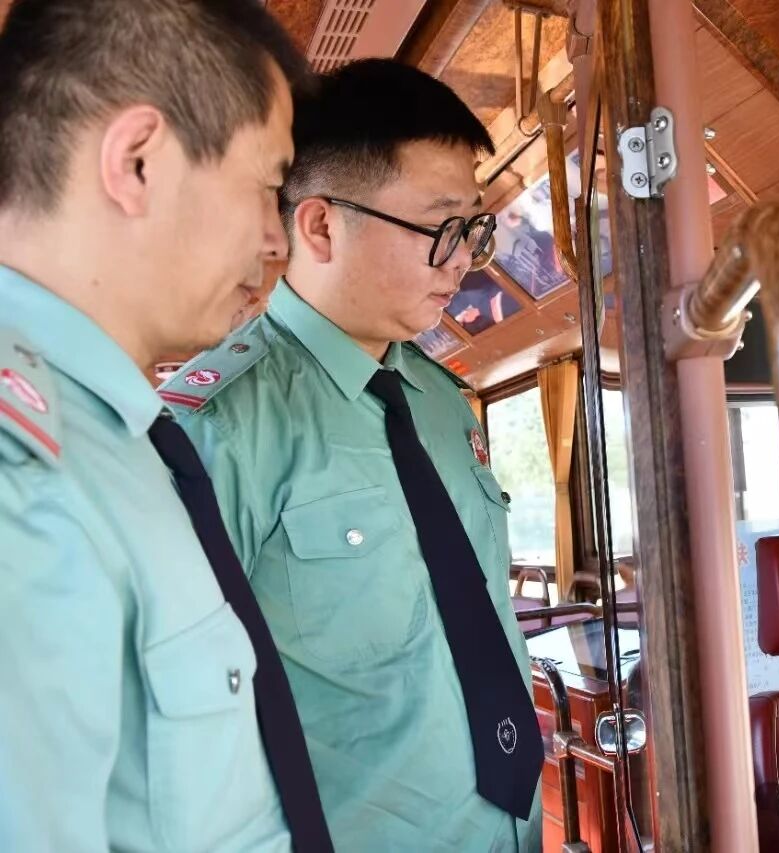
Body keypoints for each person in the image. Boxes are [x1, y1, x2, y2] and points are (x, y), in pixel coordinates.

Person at [159, 59, 543, 851]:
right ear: (322, 226)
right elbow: (175, 733)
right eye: (441, 228)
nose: (463, 260)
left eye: (474, 230)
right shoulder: (218, 428)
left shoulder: (442, 402)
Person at [0, 1, 332, 850]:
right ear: (137, 161)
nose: (275, 241)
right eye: (268, 185)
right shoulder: (22, 475)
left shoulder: (116, 440)